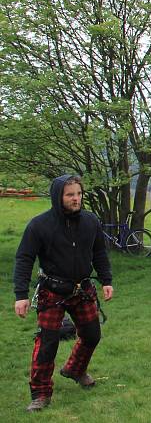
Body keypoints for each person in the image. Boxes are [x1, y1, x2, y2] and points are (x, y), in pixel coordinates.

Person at [13, 175, 113, 412]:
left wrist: (106, 280)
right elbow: (24, 259)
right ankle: (40, 393)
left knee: (92, 335)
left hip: (83, 288)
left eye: (78, 193)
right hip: (52, 290)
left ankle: (75, 370)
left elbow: (99, 252)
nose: (76, 198)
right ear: (58, 196)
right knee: (47, 344)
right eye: (70, 195)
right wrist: (21, 294)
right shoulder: (39, 225)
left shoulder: (91, 221)